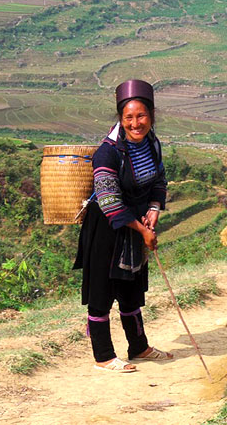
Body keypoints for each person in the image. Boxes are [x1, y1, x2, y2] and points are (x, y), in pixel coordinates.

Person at [73, 79, 173, 373]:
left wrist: (154, 209)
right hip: (106, 229)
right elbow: (109, 202)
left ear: (151, 115)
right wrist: (143, 230)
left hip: (135, 227)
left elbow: (159, 180)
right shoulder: (107, 153)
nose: (135, 123)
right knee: (102, 292)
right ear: (121, 119)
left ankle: (138, 347)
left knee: (131, 290)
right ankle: (103, 356)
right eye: (128, 117)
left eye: (140, 116)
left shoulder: (152, 144)